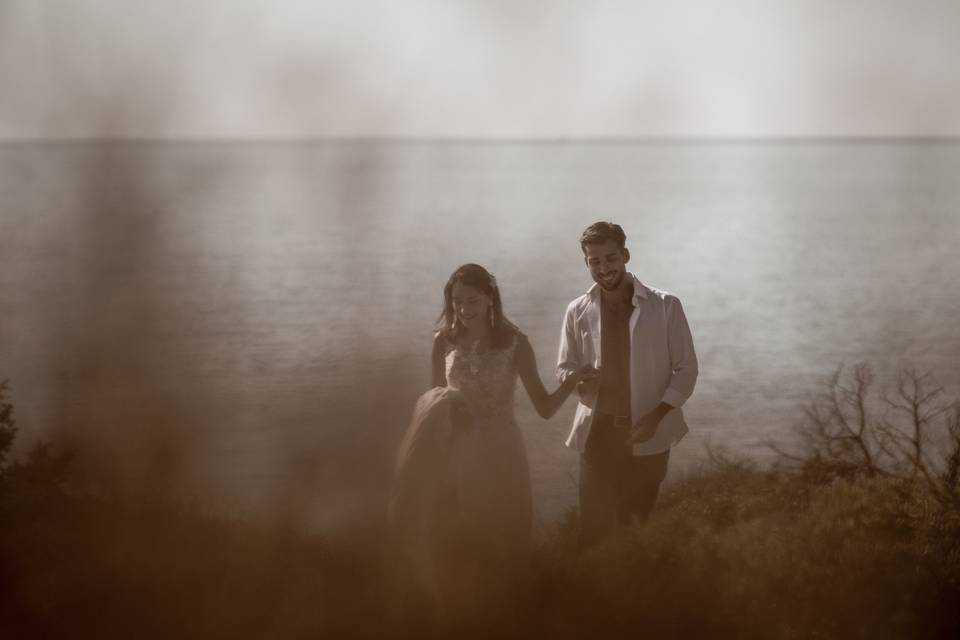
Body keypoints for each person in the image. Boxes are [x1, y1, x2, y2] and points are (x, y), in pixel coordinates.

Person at [389, 263, 596, 621]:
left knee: (504, 536)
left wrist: (574, 379)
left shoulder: (514, 343)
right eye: (457, 303)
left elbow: (544, 408)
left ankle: (507, 616)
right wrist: (450, 411)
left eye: (471, 301)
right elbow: (433, 398)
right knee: (454, 537)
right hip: (455, 454)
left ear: (489, 298)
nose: (464, 310)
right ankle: (456, 617)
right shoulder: (444, 340)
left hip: (501, 454)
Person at [557, 222, 698, 550]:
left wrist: (657, 416)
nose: (604, 269)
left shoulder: (666, 306)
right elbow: (564, 370)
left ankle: (632, 598)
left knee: (633, 531)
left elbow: (686, 370)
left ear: (625, 255)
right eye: (594, 261)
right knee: (591, 535)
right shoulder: (576, 311)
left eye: (610, 258)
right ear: (586, 263)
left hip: (650, 433)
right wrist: (580, 379)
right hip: (598, 434)